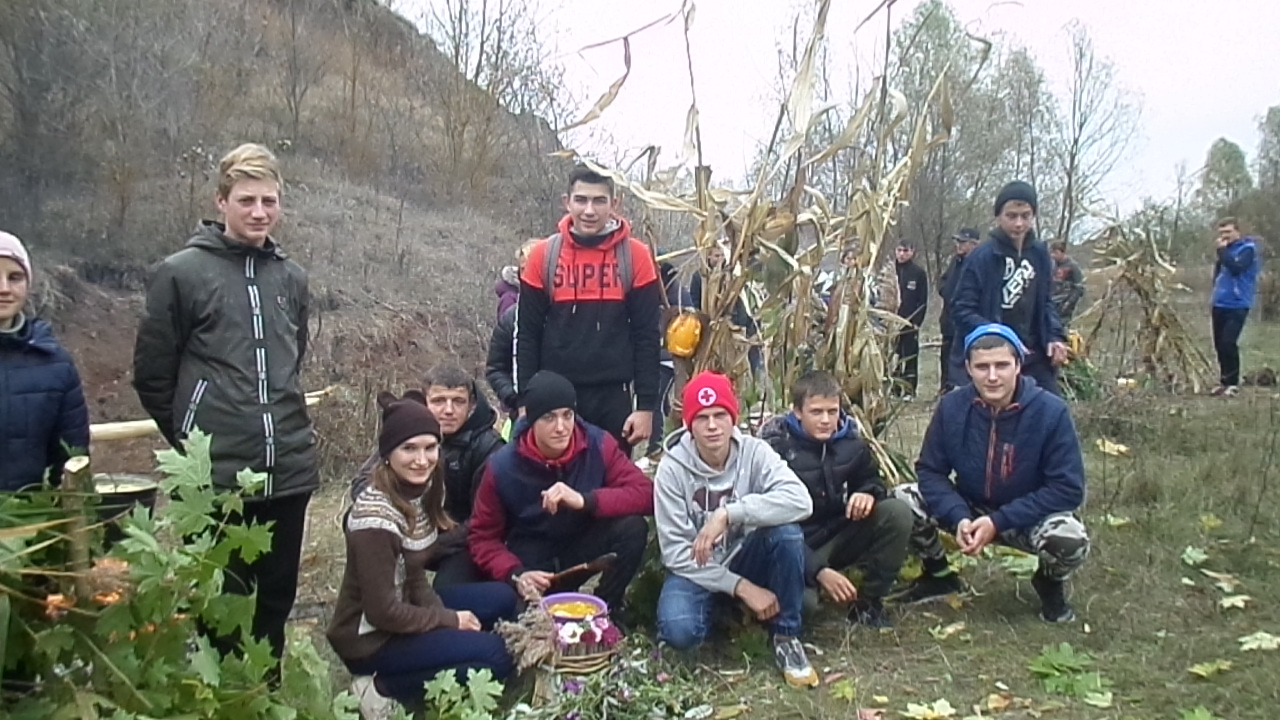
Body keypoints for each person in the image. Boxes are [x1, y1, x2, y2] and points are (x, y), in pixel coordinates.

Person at [132, 143, 315, 660]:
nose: (259, 212)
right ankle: (217, 694)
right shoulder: (181, 273)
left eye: (269, 201)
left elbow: (291, 361)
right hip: (215, 476)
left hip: (288, 469)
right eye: (246, 200)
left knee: (274, 604)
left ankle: (265, 692)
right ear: (221, 202)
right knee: (218, 607)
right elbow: (152, 374)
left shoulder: (291, 278)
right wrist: (192, 440)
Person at [328, 391, 517, 720]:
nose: (421, 459)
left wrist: (441, 616)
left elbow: (415, 575)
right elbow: (383, 612)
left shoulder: (422, 490)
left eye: (430, 448)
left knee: (503, 597)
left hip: (406, 604)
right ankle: (380, 688)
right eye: (409, 449)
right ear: (388, 454)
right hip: (371, 639)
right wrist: (449, 620)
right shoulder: (374, 521)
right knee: (496, 657)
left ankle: (445, 653)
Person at [892, 324, 1089, 623]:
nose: (992, 376)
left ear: (1018, 366)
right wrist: (959, 516)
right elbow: (930, 471)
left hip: (1026, 517)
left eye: (1002, 365)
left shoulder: (1051, 411)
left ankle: (1049, 583)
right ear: (968, 368)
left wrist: (998, 522)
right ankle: (939, 575)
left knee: (1069, 537)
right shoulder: (952, 407)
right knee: (901, 500)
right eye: (982, 367)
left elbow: (1068, 489)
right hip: (970, 508)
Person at [654, 371, 819, 688]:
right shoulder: (672, 469)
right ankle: (725, 609)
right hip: (697, 568)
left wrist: (729, 514)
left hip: (746, 553)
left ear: (734, 418)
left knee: (786, 534)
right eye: (702, 418)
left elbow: (801, 501)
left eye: (720, 415)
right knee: (679, 631)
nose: (712, 426)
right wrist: (741, 587)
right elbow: (675, 553)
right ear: (688, 425)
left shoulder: (755, 452)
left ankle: (786, 636)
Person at [468, 370, 653, 615]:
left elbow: (646, 495)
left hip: (582, 546)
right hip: (532, 561)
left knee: (632, 527)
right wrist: (516, 574)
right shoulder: (502, 466)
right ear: (532, 420)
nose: (561, 427)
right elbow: (482, 538)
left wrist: (585, 500)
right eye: (549, 417)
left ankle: (606, 610)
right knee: (519, 620)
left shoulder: (598, 444)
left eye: (567, 415)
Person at [515, 167, 661, 453]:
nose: (589, 210)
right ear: (566, 202)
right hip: (554, 396)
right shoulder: (543, 256)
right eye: (581, 200)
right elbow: (527, 335)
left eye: (599, 201)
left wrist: (646, 407)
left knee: (611, 477)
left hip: (613, 398)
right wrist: (525, 401)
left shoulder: (636, 256)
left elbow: (647, 336)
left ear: (615, 203)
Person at [759, 371, 911, 628]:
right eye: (816, 412)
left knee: (897, 512)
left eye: (832, 411)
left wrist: (867, 492)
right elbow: (768, 526)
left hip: (840, 533)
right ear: (797, 412)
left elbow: (872, 480)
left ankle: (868, 603)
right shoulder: (775, 450)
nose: (826, 420)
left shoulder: (852, 443)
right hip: (795, 544)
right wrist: (818, 570)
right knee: (804, 609)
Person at [353, 366, 504, 589]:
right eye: (439, 401)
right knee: (357, 520)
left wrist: (426, 546)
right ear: (425, 401)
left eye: (458, 402)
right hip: (409, 528)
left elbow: (481, 521)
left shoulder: (488, 447)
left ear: (471, 404)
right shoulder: (409, 428)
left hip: (462, 540)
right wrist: (389, 517)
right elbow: (362, 483)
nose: (449, 410)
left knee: (447, 591)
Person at [948, 181, 1068, 396]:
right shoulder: (982, 257)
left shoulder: (1040, 254)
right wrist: (1000, 336)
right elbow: (961, 309)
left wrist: (1054, 336)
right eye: (1011, 216)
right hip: (992, 356)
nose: (1019, 224)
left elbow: (1046, 303)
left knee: (1052, 409)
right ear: (999, 216)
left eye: (1025, 216)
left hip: (1034, 356)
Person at [0, 232, 90, 492]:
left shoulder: (56, 365)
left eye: (15, 277)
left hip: (32, 513)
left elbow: (72, 460)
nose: (4, 288)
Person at [487, 239, 541, 422]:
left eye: (537, 269)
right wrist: (516, 400)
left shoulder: (571, 313)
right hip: (522, 416)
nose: (530, 276)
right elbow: (495, 367)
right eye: (524, 270)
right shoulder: (512, 313)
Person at [647, 259, 694, 459]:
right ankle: (667, 439)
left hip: (670, 356)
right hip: (661, 355)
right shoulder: (662, 292)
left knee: (656, 400)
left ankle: (655, 447)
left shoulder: (677, 295)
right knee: (664, 402)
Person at [1209, 217, 1261, 396]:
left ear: (1237, 232)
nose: (1225, 236)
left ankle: (1232, 383)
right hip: (1220, 303)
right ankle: (1224, 382)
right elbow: (1219, 274)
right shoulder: (1224, 252)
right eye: (1222, 233)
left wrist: (1222, 251)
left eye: (1228, 232)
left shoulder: (1247, 249)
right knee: (1219, 344)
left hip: (1238, 304)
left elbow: (1236, 268)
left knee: (1228, 342)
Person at [938, 228, 980, 395]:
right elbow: (943, 282)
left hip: (966, 323)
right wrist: (947, 293)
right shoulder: (956, 261)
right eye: (957, 241)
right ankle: (945, 389)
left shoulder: (978, 263)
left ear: (974, 244)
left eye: (962, 242)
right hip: (949, 320)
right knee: (945, 356)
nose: (958, 245)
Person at [893, 242, 929, 399]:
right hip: (891, 324)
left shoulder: (918, 273)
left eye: (905, 251)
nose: (902, 254)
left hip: (909, 323)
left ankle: (909, 390)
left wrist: (917, 322)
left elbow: (922, 301)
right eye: (899, 250)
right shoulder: (890, 272)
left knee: (910, 356)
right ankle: (894, 389)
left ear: (912, 252)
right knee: (893, 356)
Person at [1049, 241, 1085, 325]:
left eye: (1056, 253)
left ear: (1062, 252)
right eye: (1052, 253)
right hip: (1052, 301)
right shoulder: (1052, 265)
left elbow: (1079, 287)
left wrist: (1069, 302)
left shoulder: (1073, 266)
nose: (1053, 255)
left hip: (1065, 302)